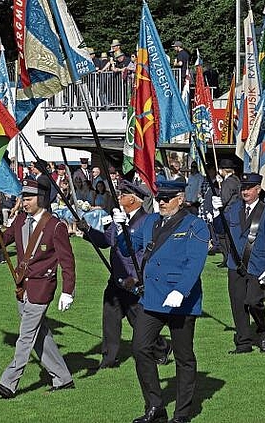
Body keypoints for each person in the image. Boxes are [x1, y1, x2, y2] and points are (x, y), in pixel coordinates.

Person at [115, 181, 209, 423]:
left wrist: (181, 290)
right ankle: (155, 406)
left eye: (167, 198)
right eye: (160, 199)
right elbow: (128, 248)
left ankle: (182, 414)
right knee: (139, 347)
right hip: (153, 297)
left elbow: (195, 262)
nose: (163, 203)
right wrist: (121, 228)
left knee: (183, 356)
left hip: (181, 300)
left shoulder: (195, 225)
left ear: (180, 198)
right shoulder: (150, 222)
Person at [0, 179, 76, 399]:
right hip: (22, 287)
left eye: (28, 199)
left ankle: (9, 382)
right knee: (40, 335)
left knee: (25, 337)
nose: (23, 203)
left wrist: (68, 291)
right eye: (23, 198)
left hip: (41, 289)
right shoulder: (20, 220)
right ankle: (63, 377)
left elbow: (67, 262)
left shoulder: (56, 226)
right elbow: (2, 243)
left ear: (41, 199)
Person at [82, 180, 171, 369]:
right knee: (110, 319)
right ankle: (109, 358)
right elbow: (107, 241)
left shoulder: (147, 221)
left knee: (139, 323)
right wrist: (88, 231)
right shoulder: (118, 218)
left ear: (133, 198)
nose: (119, 197)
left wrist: (138, 278)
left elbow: (146, 253)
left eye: (123, 195)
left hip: (133, 281)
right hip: (116, 278)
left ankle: (161, 347)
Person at [213, 173, 265, 354]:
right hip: (235, 265)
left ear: (258, 190)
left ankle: (263, 331)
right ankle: (243, 342)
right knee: (237, 305)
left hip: (257, 266)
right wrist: (216, 213)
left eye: (249, 188)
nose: (245, 191)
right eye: (243, 188)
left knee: (253, 302)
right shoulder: (234, 208)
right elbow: (221, 230)